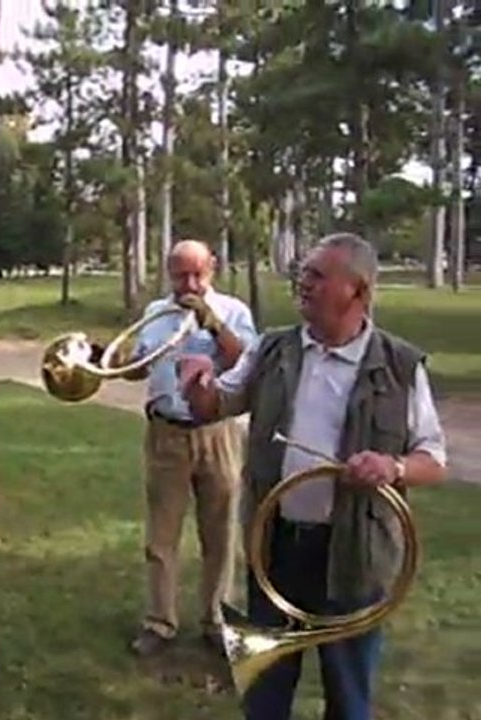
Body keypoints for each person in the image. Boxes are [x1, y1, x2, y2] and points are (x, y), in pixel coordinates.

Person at [179, 233, 447, 720]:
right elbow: (215, 404)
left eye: (318, 275)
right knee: (265, 696)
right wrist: (197, 382)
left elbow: (434, 458)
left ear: (358, 291)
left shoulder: (401, 365)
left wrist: (393, 467)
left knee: (348, 698)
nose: (303, 282)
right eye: (304, 272)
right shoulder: (273, 350)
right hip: (275, 547)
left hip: (353, 557)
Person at [125, 239, 258, 657]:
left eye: (198, 273)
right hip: (166, 433)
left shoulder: (234, 310)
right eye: (181, 274)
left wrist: (212, 322)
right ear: (168, 273)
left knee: (219, 531)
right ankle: (160, 622)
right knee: (161, 535)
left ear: (213, 269)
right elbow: (141, 366)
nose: (190, 283)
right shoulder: (155, 314)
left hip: (217, 432)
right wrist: (105, 362)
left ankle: (217, 620)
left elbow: (246, 362)